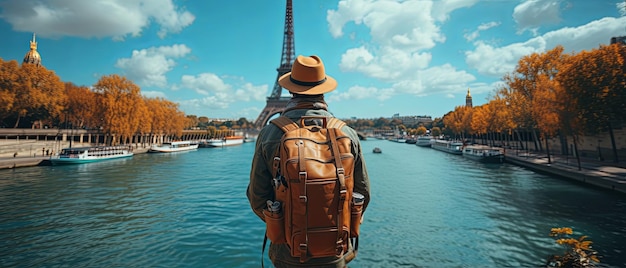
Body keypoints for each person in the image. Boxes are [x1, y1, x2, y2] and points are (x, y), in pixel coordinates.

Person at [247, 55, 371, 267]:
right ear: (323, 90)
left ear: (290, 90)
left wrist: (286, 225)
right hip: (335, 252)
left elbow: (257, 198)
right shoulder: (347, 133)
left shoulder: (270, 134)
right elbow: (363, 194)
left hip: (288, 254)